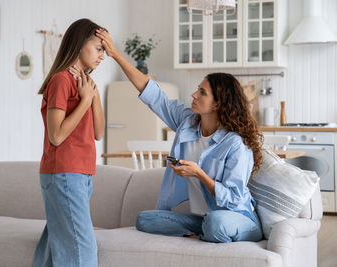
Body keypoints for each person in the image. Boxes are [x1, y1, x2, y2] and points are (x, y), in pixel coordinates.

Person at [95, 29, 263, 243]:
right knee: (145, 220)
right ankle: (204, 234)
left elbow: (234, 199)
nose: (193, 95)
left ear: (219, 104)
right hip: (203, 219)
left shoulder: (235, 144)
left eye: (202, 93)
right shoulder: (187, 122)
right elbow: (153, 95)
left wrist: (199, 174)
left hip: (239, 218)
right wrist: (115, 55)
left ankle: (207, 232)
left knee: (216, 222)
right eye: (197, 89)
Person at [34, 19, 106, 267]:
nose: (103, 56)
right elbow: (56, 135)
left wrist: (92, 95)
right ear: (79, 44)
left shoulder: (87, 84)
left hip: (81, 173)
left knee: (59, 244)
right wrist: (85, 100)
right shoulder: (61, 81)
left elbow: (99, 132)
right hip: (64, 172)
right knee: (82, 250)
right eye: (98, 48)